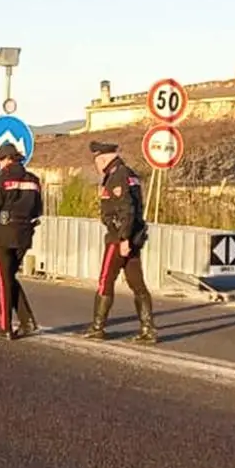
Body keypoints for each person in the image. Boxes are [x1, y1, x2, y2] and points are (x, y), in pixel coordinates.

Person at [86, 140, 157, 344]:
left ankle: (98, 327)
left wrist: (123, 238)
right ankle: (148, 329)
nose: (97, 165)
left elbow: (127, 210)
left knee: (105, 280)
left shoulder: (118, 176)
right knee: (137, 283)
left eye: (97, 160)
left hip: (119, 237)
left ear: (104, 158)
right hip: (133, 236)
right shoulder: (128, 173)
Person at [0, 141, 42, 340]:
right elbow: (38, 210)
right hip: (24, 235)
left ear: (5, 159)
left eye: (0, 161)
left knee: (3, 281)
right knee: (9, 278)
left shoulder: (2, 178)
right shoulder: (34, 180)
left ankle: (5, 327)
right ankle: (27, 321)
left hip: (3, 234)